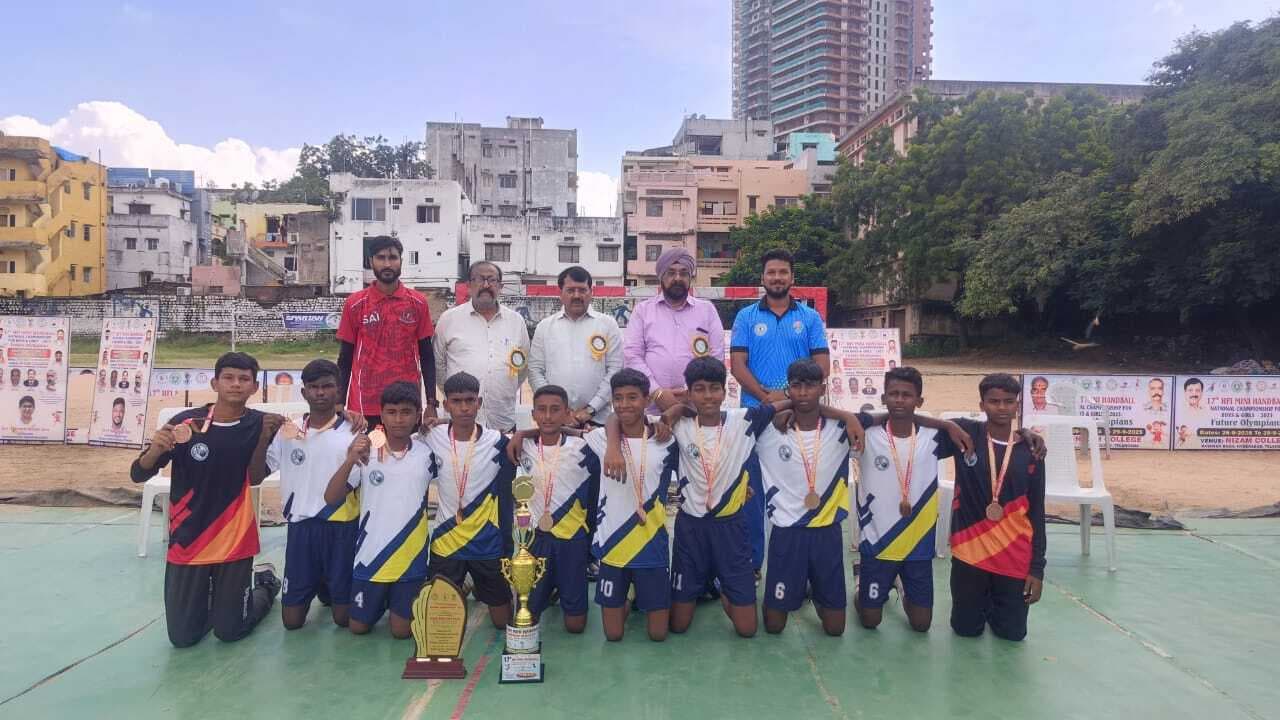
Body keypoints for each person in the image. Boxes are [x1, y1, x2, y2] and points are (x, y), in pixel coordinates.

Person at [614, 356, 783, 638]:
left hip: (731, 528)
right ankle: (707, 584)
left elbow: (794, 405)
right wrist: (675, 410)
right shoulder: (676, 426)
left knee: (747, 630)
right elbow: (618, 419)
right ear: (689, 392)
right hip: (690, 529)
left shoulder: (745, 420)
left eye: (714, 388)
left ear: (725, 390)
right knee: (678, 626)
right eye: (700, 389)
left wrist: (847, 416)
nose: (708, 396)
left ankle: (725, 588)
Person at [129, 352, 284, 648]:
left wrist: (264, 439)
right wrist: (154, 450)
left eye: (244, 379)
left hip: (234, 539)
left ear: (254, 386)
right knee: (183, 639)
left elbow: (255, 479)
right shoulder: (185, 423)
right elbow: (138, 474)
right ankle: (216, 597)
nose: (235, 385)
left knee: (230, 632)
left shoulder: (261, 425)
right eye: (228, 378)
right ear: (215, 382)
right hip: (188, 540)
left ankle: (264, 584)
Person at [852, 367, 978, 633]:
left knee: (922, 625)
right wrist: (943, 421)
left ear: (919, 401)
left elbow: (991, 429)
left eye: (907, 395)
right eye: (893, 394)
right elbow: (837, 418)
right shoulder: (864, 433)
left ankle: (898, 584)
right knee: (870, 621)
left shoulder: (934, 437)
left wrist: (1026, 435)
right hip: (878, 542)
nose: (900, 400)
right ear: (884, 398)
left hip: (917, 544)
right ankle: (861, 582)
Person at [729, 248, 830, 577]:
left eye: (782, 272)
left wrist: (787, 397)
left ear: (792, 277)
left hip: (797, 415)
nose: (777, 278)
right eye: (771, 272)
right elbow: (737, 365)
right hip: (755, 414)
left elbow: (822, 366)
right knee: (752, 493)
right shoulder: (746, 317)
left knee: (799, 489)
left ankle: (797, 567)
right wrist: (765, 398)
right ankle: (752, 563)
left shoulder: (811, 318)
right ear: (762, 278)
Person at [755, 360, 865, 636]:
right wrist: (784, 406)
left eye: (811, 386)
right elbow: (729, 418)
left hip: (826, 534)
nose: (804, 393)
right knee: (773, 627)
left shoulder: (842, 427)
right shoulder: (768, 429)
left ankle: (820, 592)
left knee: (835, 629)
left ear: (822, 388)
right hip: (786, 534)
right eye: (797, 386)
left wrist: (848, 416)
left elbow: (889, 418)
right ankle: (801, 586)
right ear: (788, 389)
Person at [325, 382, 430, 638]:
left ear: (418, 415)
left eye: (406, 412)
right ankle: (382, 600)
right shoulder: (365, 453)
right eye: (391, 412)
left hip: (410, 558)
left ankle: (394, 602)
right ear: (381, 415)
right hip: (369, 557)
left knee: (401, 632)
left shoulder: (427, 453)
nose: (398, 419)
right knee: (358, 628)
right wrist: (350, 460)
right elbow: (331, 498)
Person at [949, 373, 1047, 642]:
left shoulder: (1032, 451)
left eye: (1008, 401)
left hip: (1013, 555)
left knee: (1012, 635)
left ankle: (996, 602)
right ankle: (981, 602)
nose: (1001, 407)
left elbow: (1037, 512)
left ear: (1017, 405)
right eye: (993, 401)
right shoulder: (965, 436)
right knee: (966, 631)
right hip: (970, 554)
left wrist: (1037, 570)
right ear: (981, 405)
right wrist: (946, 426)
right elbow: (912, 419)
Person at [267, 359, 361, 630]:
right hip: (301, 529)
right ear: (304, 392)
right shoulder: (288, 431)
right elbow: (259, 472)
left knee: (343, 619)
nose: (321, 392)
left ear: (338, 391)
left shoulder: (354, 431)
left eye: (327, 386)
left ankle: (328, 584)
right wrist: (263, 435)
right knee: (292, 623)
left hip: (341, 527)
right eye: (314, 387)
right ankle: (267, 584)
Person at [585, 369, 678, 642]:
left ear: (647, 399)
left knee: (658, 634)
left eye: (633, 397)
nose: (625, 404)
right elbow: (559, 430)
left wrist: (670, 414)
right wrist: (522, 434)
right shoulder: (601, 439)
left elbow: (685, 411)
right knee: (613, 635)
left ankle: (642, 596)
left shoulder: (666, 440)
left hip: (651, 542)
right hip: (614, 543)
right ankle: (628, 598)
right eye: (618, 398)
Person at [421, 371, 515, 628]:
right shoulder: (432, 436)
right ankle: (464, 583)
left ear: (479, 403)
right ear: (446, 404)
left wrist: (521, 434)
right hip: (446, 541)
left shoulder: (498, 442)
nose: (464, 407)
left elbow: (544, 434)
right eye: (457, 401)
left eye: (470, 400)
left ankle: (470, 583)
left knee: (503, 622)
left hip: (486, 542)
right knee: (438, 624)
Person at [509, 385, 597, 634]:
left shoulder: (584, 447)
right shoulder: (522, 445)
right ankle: (548, 589)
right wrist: (521, 434)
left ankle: (561, 588)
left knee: (575, 626)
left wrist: (576, 431)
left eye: (555, 410)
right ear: (533, 413)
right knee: (525, 618)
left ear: (567, 412)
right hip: (537, 539)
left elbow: (617, 429)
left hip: (572, 541)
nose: (548, 416)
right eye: (542, 410)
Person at [336, 236, 437, 428]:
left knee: (406, 457)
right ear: (370, 262)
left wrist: (431, 402)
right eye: (381, 258)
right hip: (364, 406)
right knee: (366, 457)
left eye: (393, 257)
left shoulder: (418, 302)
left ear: (401, 261)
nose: (387, 263)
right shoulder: (355, 304)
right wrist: (339, 403)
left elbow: (427, 356)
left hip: (407, 405)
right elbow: (345, 358)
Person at [623, 248, 724, 413]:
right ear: (661, 277)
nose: (677, 278)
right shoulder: (643, 310)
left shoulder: (707, 310)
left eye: (684, 273)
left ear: (690, 277)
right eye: (671, 273)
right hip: (652, 407)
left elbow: (716, 356)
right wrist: (657, 393)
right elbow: (632, 355)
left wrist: (690, 392)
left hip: (695, 405)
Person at [434, 262, 530, 432]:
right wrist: (455, 393)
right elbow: (439, 366)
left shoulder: (516, 321)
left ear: (500, 286)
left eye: (492, 280)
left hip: (503, 422)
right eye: (479, 279)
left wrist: (502, 387)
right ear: (469, 286)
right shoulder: (448, 319)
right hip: (460, 425)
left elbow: (522, 368)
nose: (486, 285)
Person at [528, 266, 624, 427]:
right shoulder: (545, 327)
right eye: (571, 290)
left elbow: (615, 369)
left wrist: (591, 409)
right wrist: (558, 410)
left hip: (598, 420)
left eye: (582, 290)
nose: (577, 295)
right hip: (555, 421)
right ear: (561, 293)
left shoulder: (608, 325)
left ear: (591, 292)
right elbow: (535, 370)